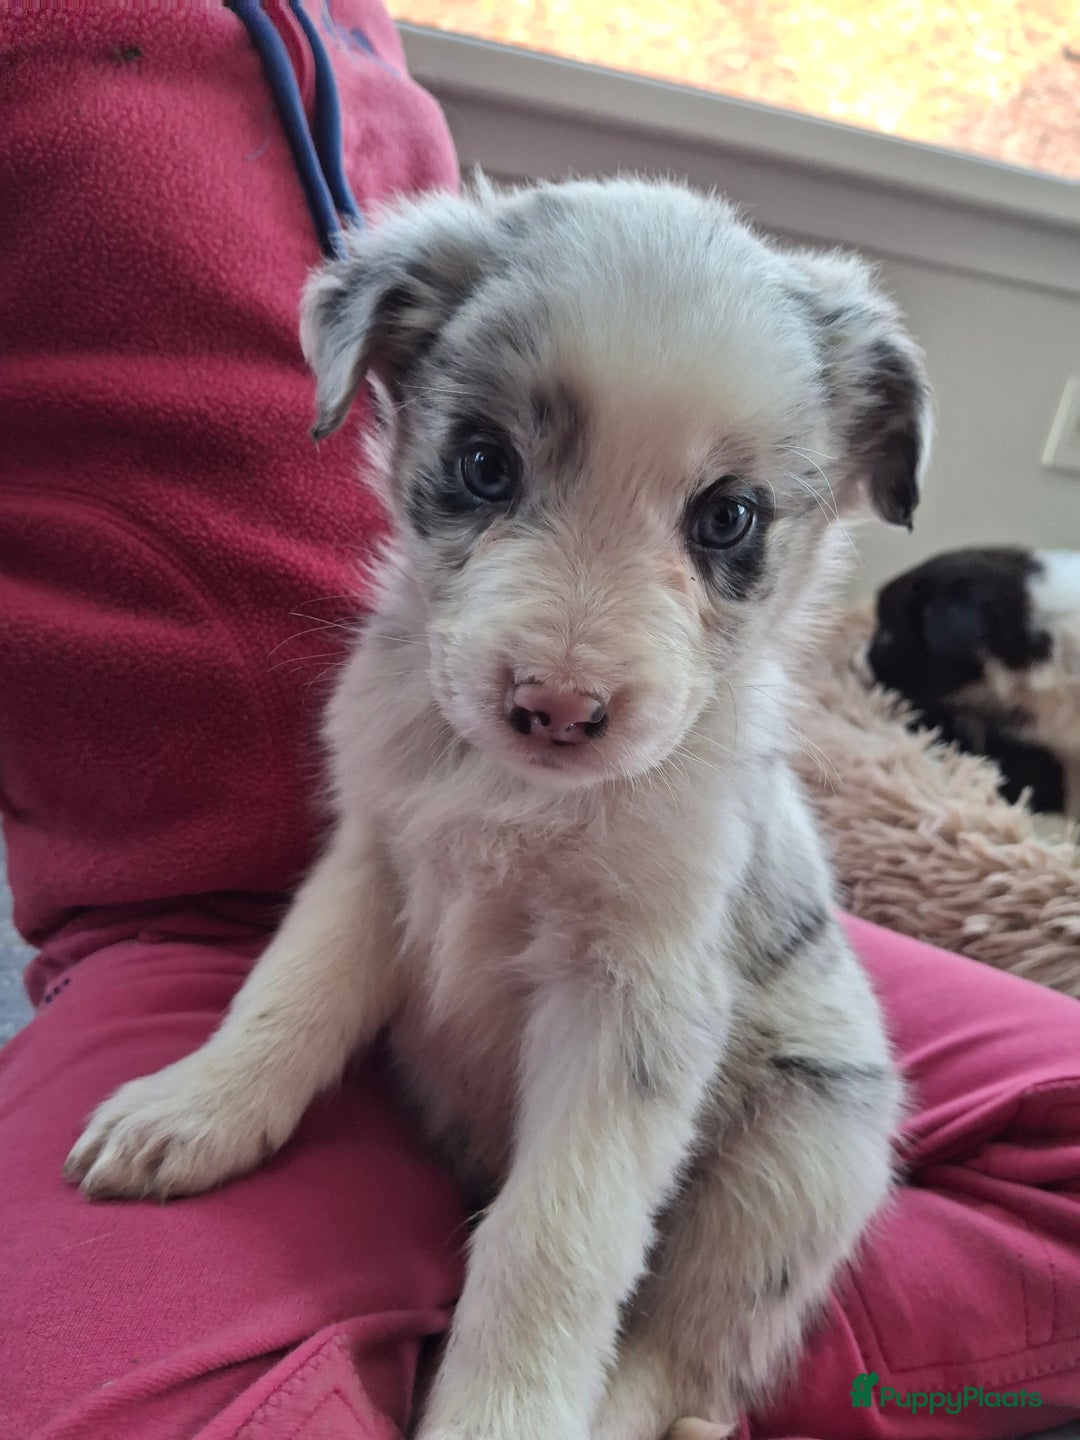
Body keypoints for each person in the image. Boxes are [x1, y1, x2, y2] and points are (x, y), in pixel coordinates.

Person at [1, 5, 1078, 1437]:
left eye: (725, 520)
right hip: (357, 1036)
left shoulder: (696, 763)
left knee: (826, 1131)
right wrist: (244, 1078)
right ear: (377, 381)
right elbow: (378, 874)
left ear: (837, 489)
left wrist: (535, 1356)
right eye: (492, 466)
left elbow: (640, 1018)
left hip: (739, 1100)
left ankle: (669, 1379)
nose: (565, 676)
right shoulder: (397, 677)